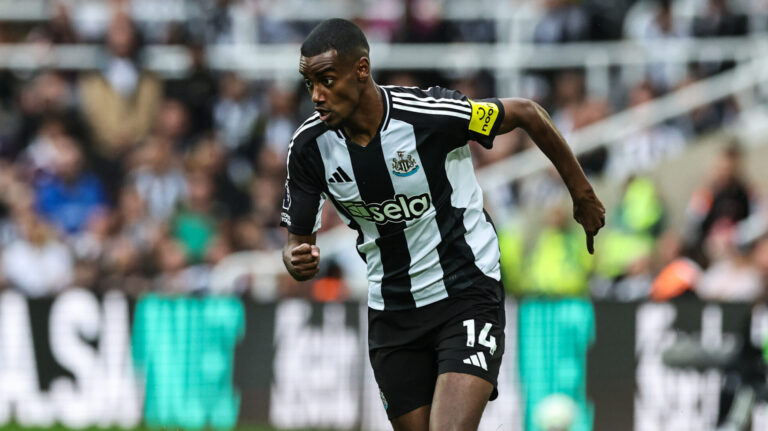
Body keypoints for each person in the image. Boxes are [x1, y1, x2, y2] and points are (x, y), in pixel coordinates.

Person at [280, 18, 605, 431]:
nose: (317, 96)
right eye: (309, 84)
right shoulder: (308, 149)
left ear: (362, 70)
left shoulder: (431, 116)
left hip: (466, 290)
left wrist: (582, 194)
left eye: (326, 80)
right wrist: (296, 258)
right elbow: (296, 243)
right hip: (392, 310)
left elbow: (527, 112)